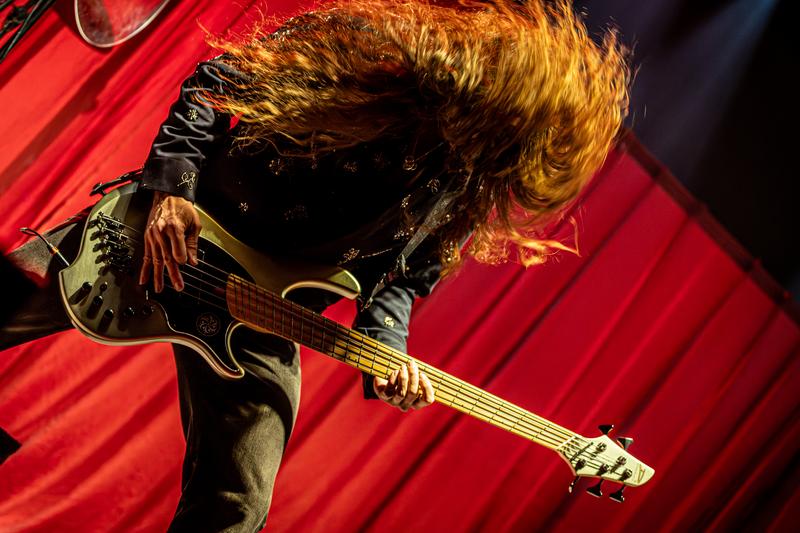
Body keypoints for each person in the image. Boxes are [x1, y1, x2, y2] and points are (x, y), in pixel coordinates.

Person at [1, 0, 628, 530]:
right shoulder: (377, 51)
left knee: (238, 503)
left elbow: (401, 280)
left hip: (264, 317)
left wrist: (389, 354)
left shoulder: (466, 186)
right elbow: (217, 82)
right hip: (172, 235)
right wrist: (172, 192)